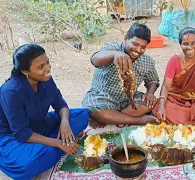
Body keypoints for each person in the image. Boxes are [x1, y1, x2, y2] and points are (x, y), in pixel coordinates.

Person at [0, 44, 89, 180]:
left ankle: (52, 144)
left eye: (47, 63)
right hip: (13, 137)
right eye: (40, 67)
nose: (47, 68)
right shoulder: (10, 91)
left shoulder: (46, 79)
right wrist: (58, 143)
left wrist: (64, 123)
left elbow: (61, 104)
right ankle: (55, 145)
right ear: (25, 71)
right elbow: (22, 133)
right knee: (29, 164)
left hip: (41, 124)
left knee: (82, 114)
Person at [82, 23, 160, 128]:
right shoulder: (113, 48)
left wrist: (150, 93)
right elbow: (95, 59)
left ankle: (111, 117)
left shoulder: (147, 61)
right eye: (135, 44)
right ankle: (138, 120)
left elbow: (153, 80)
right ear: (126, 38)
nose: (138, 50)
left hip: (128, 100)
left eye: (143, 47)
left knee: (150, 103)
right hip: (103, 96)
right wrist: (115, 54)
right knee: (93, 108)